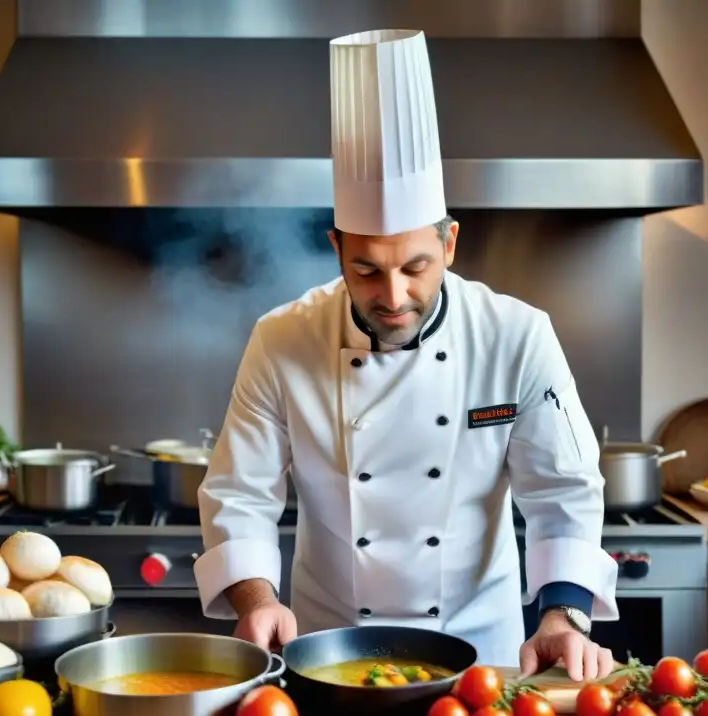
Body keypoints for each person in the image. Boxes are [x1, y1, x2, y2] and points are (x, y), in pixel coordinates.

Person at [193, 29, 619, 680]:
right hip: (327, 646)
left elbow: (561, 490)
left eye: (416, 267)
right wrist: (258, 600)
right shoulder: (281, 341)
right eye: (366, 270)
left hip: (483, 653)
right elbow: (240, 495)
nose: (393, 296)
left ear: (449, 243)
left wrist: (563, 616)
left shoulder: (517, 336)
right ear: (335, 247)